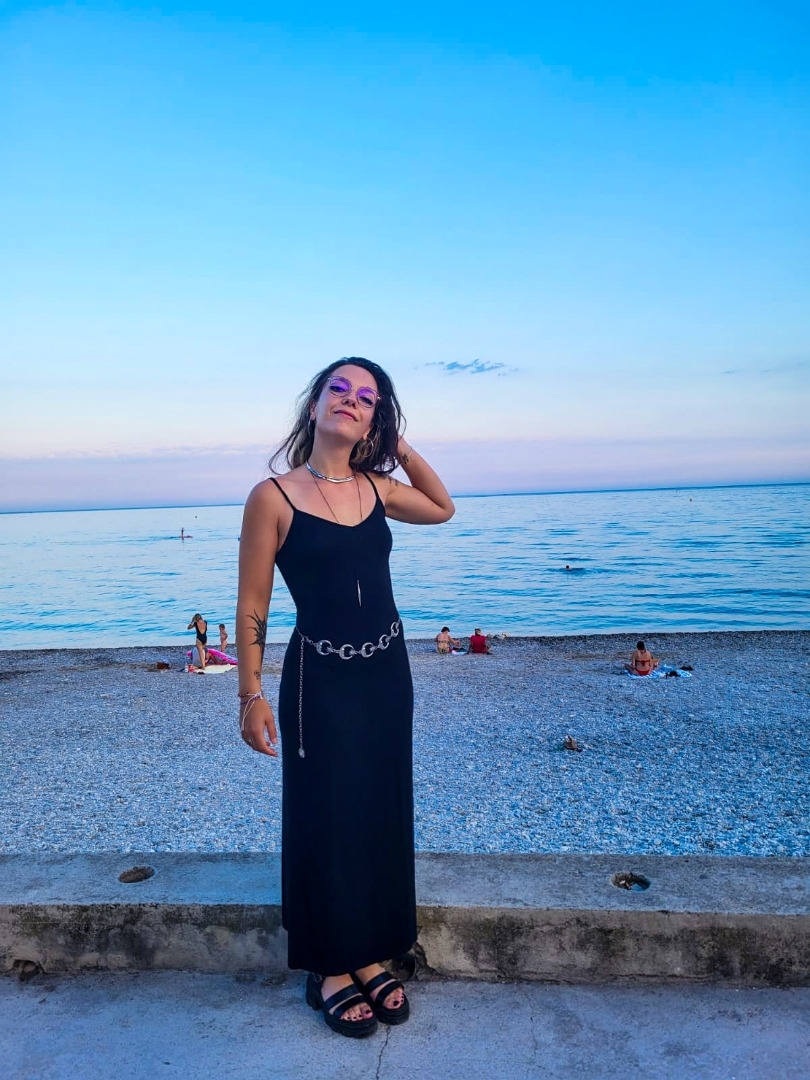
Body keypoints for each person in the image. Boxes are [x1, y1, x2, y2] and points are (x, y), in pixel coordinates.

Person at [236, 357, 454, 1039]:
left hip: (386, 672)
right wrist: (249, 694)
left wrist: (398, 446)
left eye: (368, 398)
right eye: (340, 389)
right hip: (318, 679)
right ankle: (329, 966)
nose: (351, 401)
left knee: (378, 808)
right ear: (314, 406)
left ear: (373, 420)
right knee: (324, 813)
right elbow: (252, 602)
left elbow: (442, 507)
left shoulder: (378, 488)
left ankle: (369, 952)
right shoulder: (272, 496)